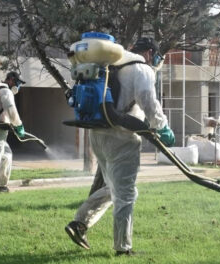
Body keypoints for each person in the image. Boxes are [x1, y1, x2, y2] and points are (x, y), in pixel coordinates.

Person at [65, 37, 175, 255]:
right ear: (150, 53)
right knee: (126, 194)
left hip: (98, 135)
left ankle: (79, 224)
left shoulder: (110, 65)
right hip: (122, 138)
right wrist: (162, 127)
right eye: (156, 56)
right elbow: (148, 101)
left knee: (113, 188)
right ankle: (123, 249)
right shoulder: (141, 69)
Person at [0, 71, 26, 195]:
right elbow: (12, 111)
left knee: (6, 155)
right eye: (18, 83)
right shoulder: (6, 92)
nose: (18, 86)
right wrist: (19, 126)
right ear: (11, 80)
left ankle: (2, 186)